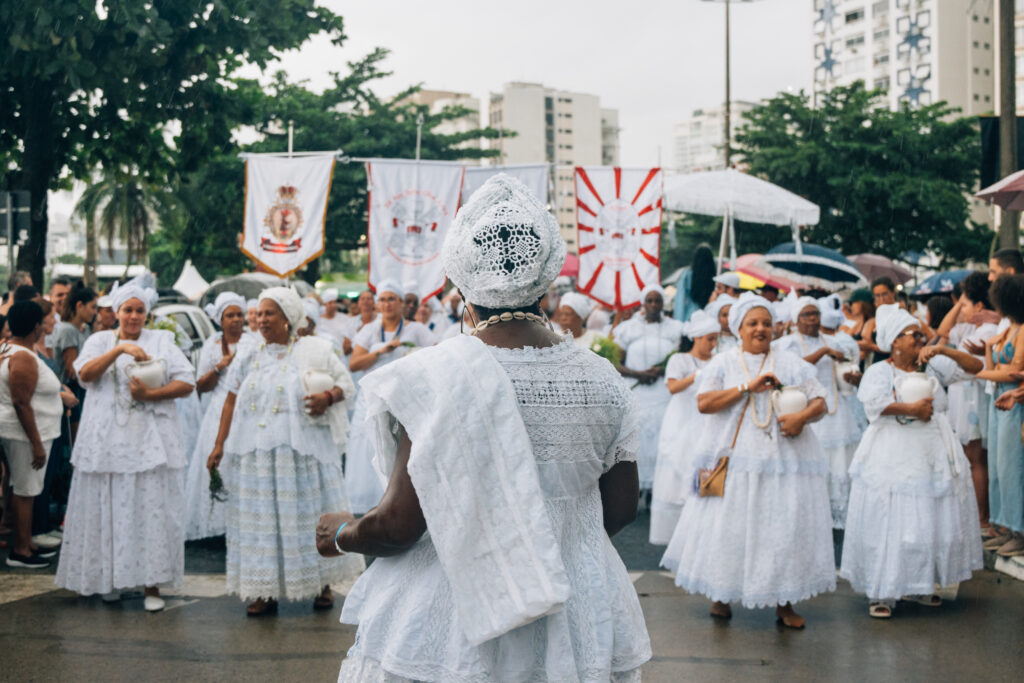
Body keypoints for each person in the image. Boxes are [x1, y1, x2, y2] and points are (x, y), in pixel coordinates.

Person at [317, 173, 651, 681]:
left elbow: (398, 527)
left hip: (454, 617)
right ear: (546, 280)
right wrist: (548, 541)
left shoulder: (433, 375)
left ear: (462, 279)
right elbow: (622, 508)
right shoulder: (601, 377)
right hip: (573, 610)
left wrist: (340, 532)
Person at [662, 293, 834, 629]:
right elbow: (704, 403)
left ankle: (785, 603)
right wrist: (747, 387)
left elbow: (821, 400)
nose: (760, 329)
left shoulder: (789, 362)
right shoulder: (723, 363)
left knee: (783, 527)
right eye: (753, 323)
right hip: (734, 461)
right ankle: (721, 595)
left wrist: (801, 419)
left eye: (766, 323)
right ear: (739, 329)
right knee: (729, 527)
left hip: (785, 462)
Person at [206, 287, 363, 615]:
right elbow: (231, 398)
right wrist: (219, 444)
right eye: (259, 314)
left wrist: (327, 397)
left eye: (269, 313)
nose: (261, 320)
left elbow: (346, 385)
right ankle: (264, 590)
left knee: (309, 517)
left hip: (303, 454)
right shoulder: (249, 354)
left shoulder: (314, 350)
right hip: (257, 455)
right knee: (262, 523)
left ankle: (322, 585)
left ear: (288, 318)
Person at [54, 283, 195, 612]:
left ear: (147, 314)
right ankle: (109, 580)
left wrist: (150, 396)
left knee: (150, 510)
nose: (133, 316)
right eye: (127, 310)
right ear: (115, 312)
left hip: (150, 440)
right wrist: (119, 350)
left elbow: (186, 381)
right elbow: (84, 374)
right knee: (108, 508)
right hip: (106, 441)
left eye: (139, 310)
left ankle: (151, 585)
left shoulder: (162, 340)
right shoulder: (99, 340)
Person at [840, 304, 983, 618]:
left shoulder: (932, 365)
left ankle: (919, 584)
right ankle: (882, 590)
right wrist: (911, 410)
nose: (920, 339)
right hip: (892, 450)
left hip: (931, 450)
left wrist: (946, 351)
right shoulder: (880, 371)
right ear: (894, 342)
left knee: (927, 516)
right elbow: (873, 405)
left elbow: (974, 367)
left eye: (921, 333)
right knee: (892, 517)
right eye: (912, 335)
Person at [773, 297, 864, 533]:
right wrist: (823, 352)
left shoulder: (833, 341)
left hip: (835, 410)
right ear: (796, 319)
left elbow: (843, 372)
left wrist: (853, 379)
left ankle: (837, 526)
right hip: (802, 411)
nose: (813, 319)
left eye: (815, 314)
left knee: (839, 467)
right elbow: (791, 370)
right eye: (807, 314)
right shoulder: (787, 344)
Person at [345, 283, 434, 514]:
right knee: (367, 451)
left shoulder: (417, 329)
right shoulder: (369, 330)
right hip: (370, 401)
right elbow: (354, 364)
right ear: (377, 304)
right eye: (382, 299)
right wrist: (381, 352)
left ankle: (399, 505)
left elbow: (435, 357)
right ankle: (366, 507)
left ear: (402, 303)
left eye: (392, 299)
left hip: (404, 402)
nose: (386, 304)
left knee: (399, 452)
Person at [183, 293, 256, 541]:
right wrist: (220, 366)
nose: (236, 320)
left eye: (239, 315)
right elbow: (200, 386)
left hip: (247, 410)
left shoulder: (253, 342)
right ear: (220, 320)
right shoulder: (211, 346)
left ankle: (243, 525)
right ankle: (215, 524)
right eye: (230, 315)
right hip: (217, 411)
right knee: (218, 463)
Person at [933, 272, 1000, 535]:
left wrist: (963, 302)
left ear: (979, 306)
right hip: (965, 396)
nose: (961, 307)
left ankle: (983, 518)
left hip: (974, 398)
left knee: (976, 458)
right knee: (971, 458)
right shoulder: (974, 327)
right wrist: (962, 303)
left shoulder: (987, 330)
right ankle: (980, 516)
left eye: (966, 302)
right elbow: (943, 330)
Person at [1, 302, 64, 568]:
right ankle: (20, 551)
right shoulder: (23, 357)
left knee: (23, 488)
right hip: (24, 434)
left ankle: (27, 542)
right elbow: (21, 402)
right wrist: (37, 443)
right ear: (36, 327)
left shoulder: (9, 348)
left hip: (24, 432)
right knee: (26, 491)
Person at [649, 310, 718, 545]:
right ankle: (679, 535)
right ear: (697, 338)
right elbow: (673, 387)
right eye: (709, 338)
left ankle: (704, 530)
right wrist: (697, 375)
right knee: (679, 470)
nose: (713, 344)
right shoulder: (680, 360)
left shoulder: (718, 359)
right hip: (682, 421)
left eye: (715, 338)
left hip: (708, 421)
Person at [612, 284, 686, 491]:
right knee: (639, 436)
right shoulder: (629, 329)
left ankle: (659, 486)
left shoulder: (675, 328)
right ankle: (635, 486)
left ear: (663, 303)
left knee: (664, 434)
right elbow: (615, 362)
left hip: (663, 393)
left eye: (658, 300)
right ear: (644, 303)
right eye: (650, 300)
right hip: (638, 392)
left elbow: (681, 358)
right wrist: (640, 374)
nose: (654, 304)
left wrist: (662, 371)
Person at [979, 275, 1024, 557]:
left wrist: (975, 371)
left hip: (1014, 401)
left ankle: (1018, 529)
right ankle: (1004, 525)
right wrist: (987, 349)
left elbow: (1013, 372)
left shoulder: (1021, 332)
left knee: (1011, 467)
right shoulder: (1008, 330)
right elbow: (996, 366)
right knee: (997, 465)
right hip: (999, 397)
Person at [859, 277, 897, 363]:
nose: (881, 299)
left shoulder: (899, 313)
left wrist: (871, 346)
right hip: (877, 363)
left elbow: (894, 346)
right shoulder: (877, 317)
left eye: (884, 294)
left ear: (893, 293)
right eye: (877, 296)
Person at [341, 290, 377, 358]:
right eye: (363, 299)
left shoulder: (381, 320)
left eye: (369, 299)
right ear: (358, 303)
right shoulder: (351, 322)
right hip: (355, 362)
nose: (365, 301)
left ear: (374, 303)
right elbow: (345, 350)